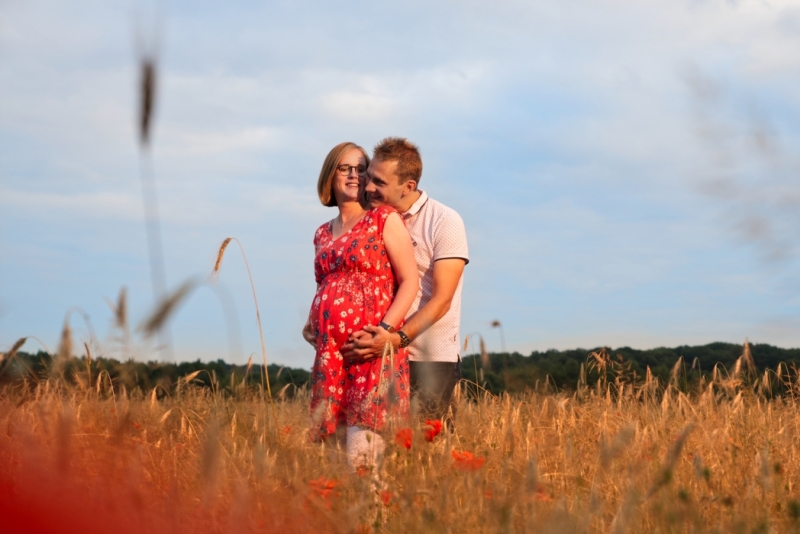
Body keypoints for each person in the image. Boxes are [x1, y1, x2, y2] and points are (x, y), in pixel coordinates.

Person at [302, 141, 419, 473]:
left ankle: (373, 523)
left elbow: (410, 281)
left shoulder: (383, 218)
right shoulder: (322, 233)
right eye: (345, 168)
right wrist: (314, 321)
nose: (354, 174)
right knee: (334, 464)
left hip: (370, 353)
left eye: (361, 167)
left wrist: (384, 333)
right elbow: (326, 286)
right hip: (331, 357)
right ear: (330, 175)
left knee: (362, 462)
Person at [342, 137, 469, 429]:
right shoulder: (367, 217)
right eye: (368, 177)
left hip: (427, 358)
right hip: (375, 353)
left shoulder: (444, 221)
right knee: (376, 447)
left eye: (379, 182)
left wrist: (397, 339)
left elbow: (442, 299)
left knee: (425, 450)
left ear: (408, 186)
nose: (369, 187)